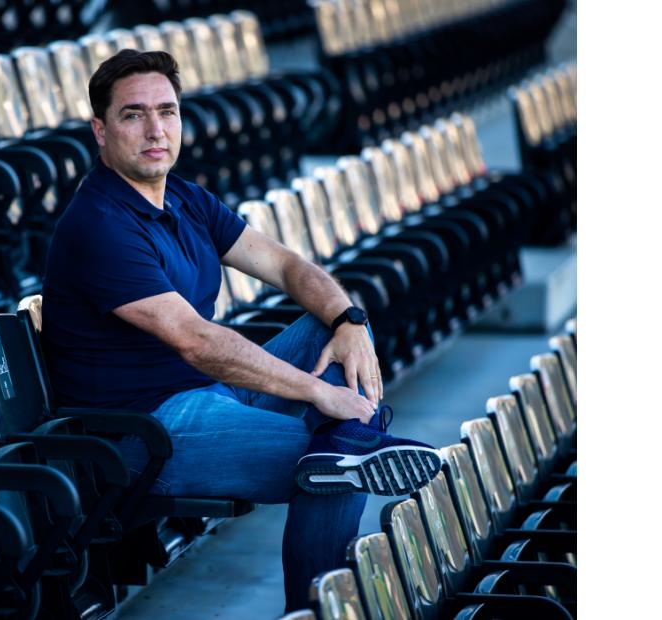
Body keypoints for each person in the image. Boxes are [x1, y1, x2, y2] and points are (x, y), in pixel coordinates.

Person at [40, 49, 441, 612]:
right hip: (143, 430)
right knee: (336, 470)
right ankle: (314, 603)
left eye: (167, 111)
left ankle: (349, 438)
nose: (156, 129)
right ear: (100, 131)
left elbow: (285, 266)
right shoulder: (99, 226)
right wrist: (318, 392)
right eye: (133, 115)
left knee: (325, 326)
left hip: (204, 394)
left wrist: (349, 321)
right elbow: (195, 340)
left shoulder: (185, 197)